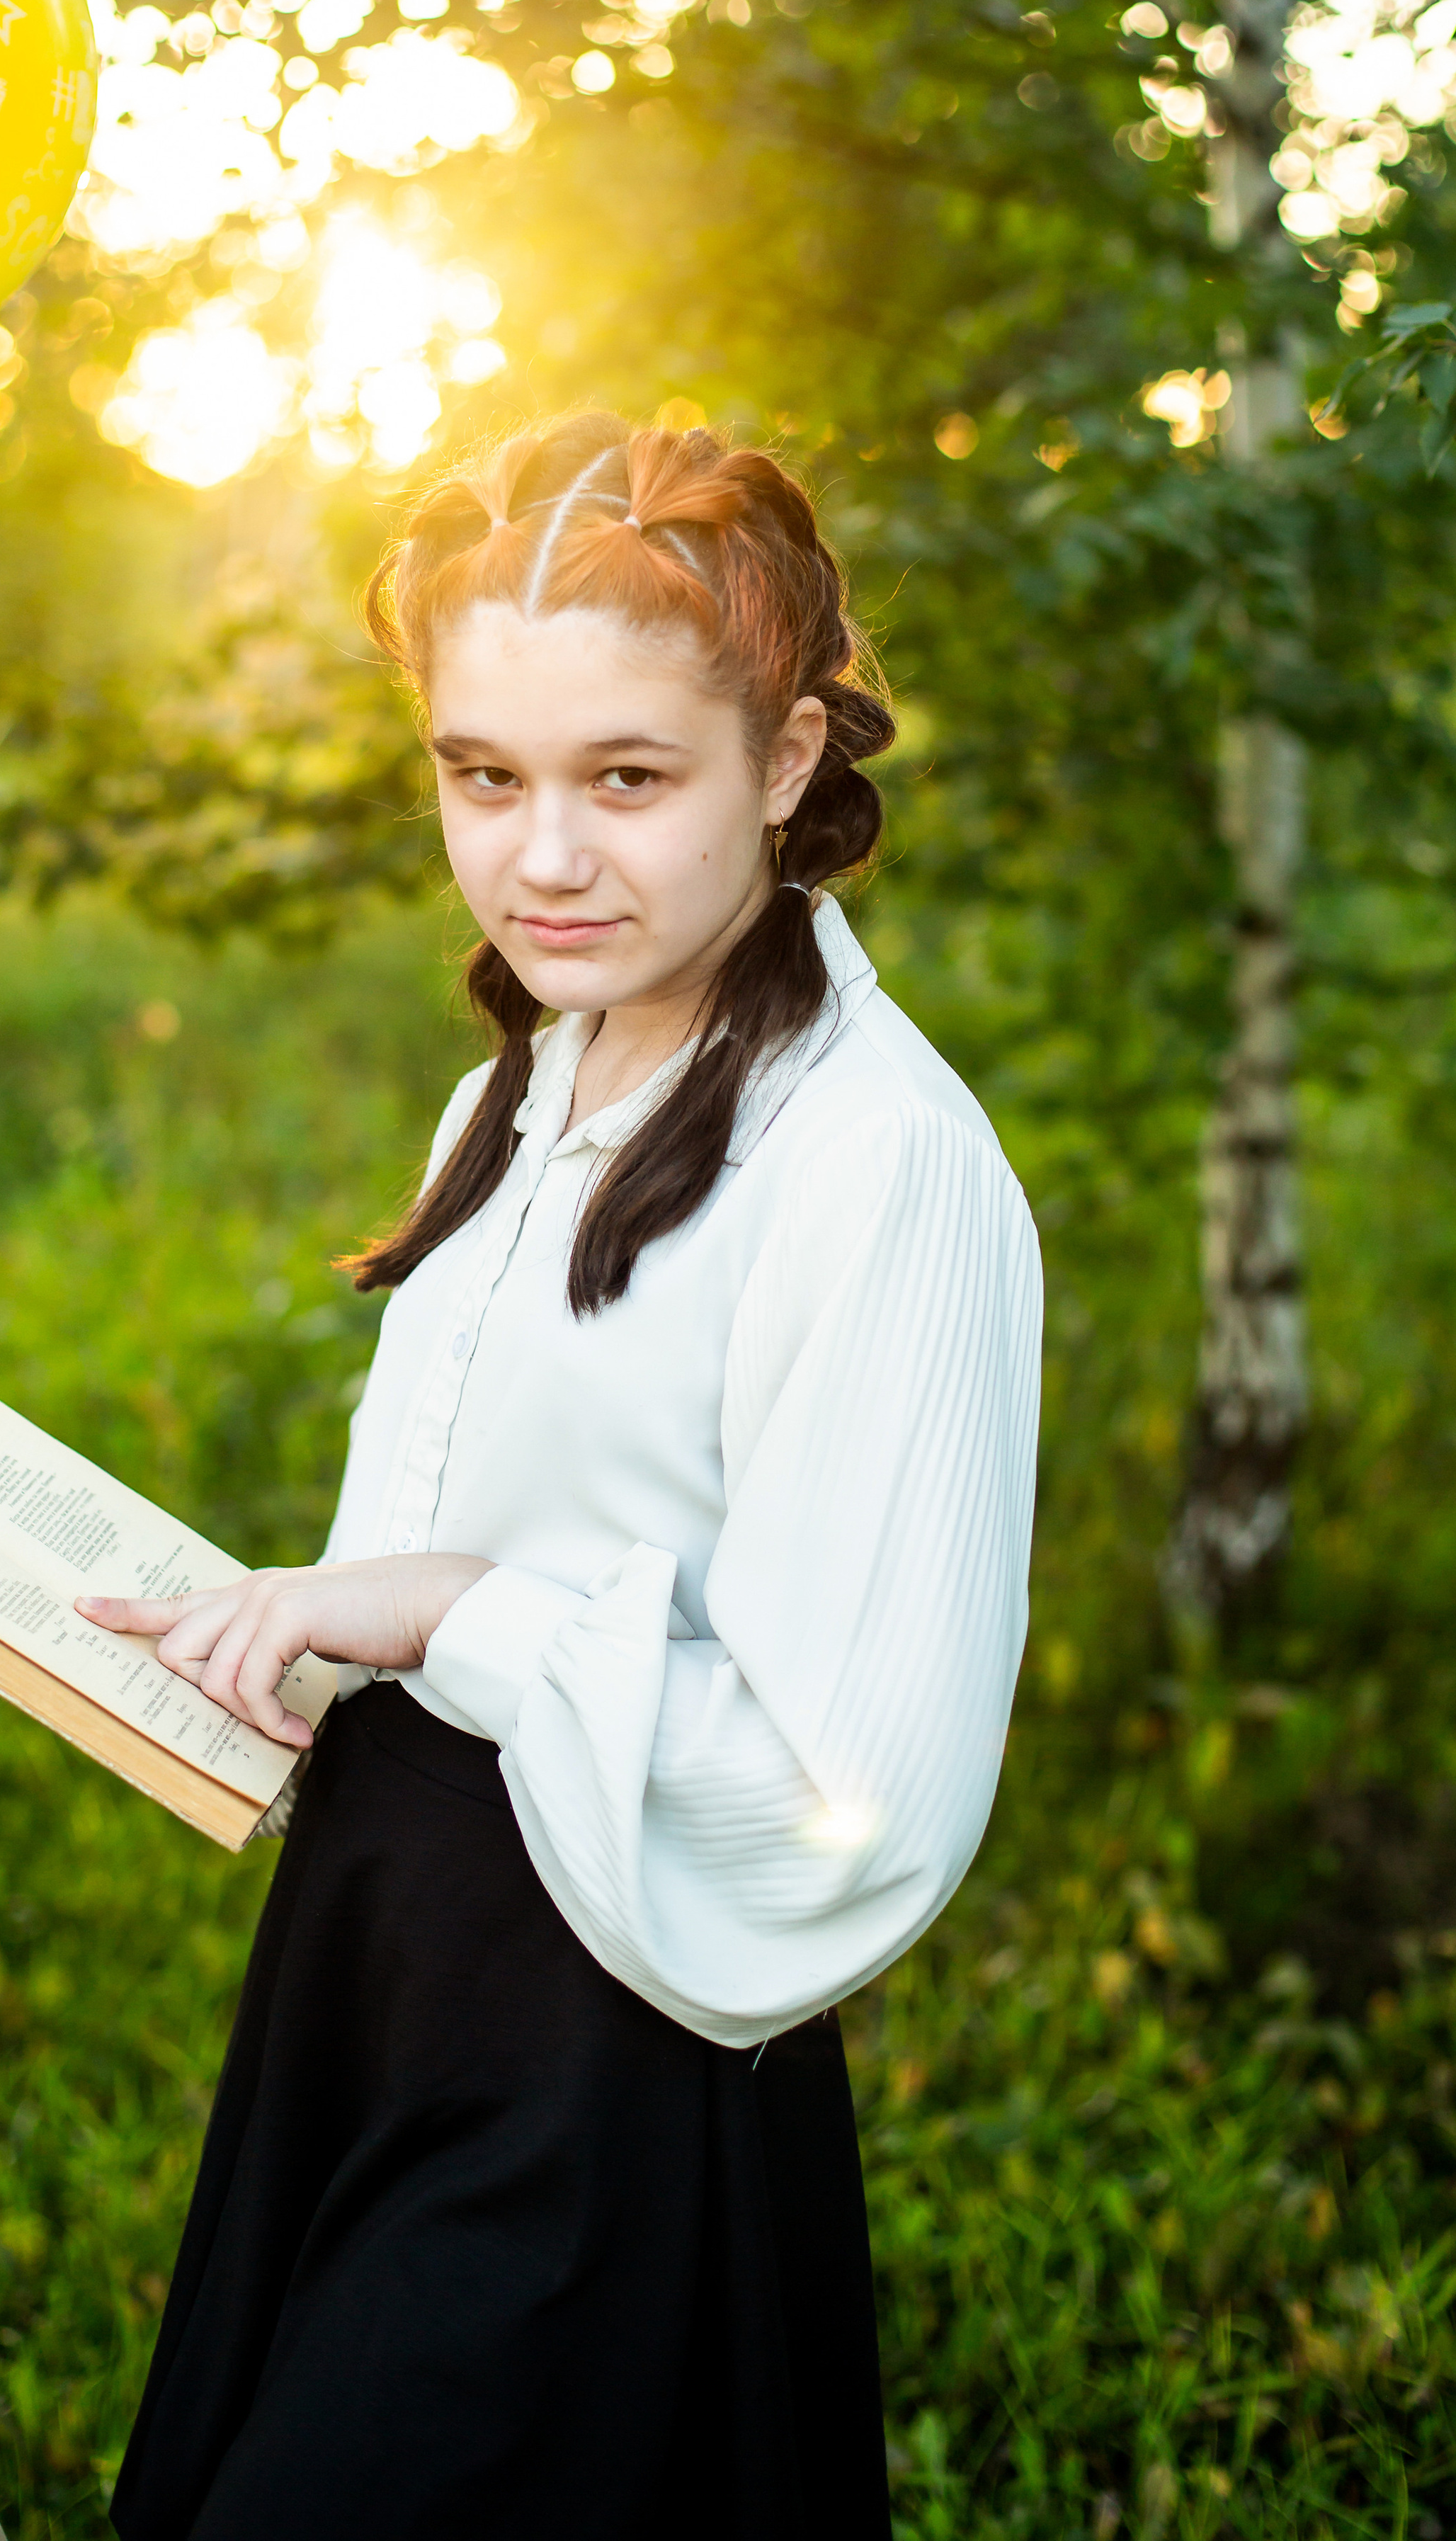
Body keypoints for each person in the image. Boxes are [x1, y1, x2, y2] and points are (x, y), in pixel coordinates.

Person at [85, 411, 1042, 2541]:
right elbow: (493, 1553)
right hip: (381, 1969)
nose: (541, 860)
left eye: (628, 778)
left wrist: (440, 1614)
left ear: (788, 763)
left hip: (604, 2043)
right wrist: (278, 1640)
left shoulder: (876, 1163)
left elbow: (851, 1804)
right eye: (480, 776)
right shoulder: (511, 1086)